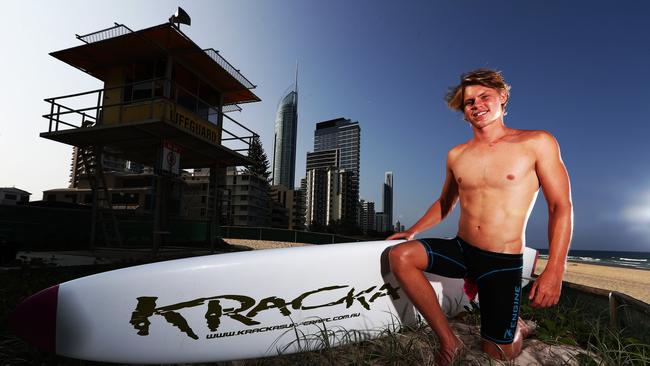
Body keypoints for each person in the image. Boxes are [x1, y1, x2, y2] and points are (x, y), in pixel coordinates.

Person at [387, 68, 573, 364]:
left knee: (499, 353)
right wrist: (412, 231)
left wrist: (556, 269)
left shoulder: (537, 142)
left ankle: (518, 329)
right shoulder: (457, 155)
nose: (476, 105)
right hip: (462, 249)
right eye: (469, 102)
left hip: (501, 262)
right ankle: (449, 341)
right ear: (464, 112)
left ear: (502, 97)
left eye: (484, 96)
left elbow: (560, 207)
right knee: (401, 256)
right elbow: (444, 203)